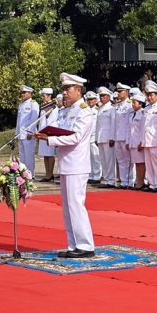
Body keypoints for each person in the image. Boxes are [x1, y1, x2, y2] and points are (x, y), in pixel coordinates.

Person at [37, 73, 96, 258]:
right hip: (66, 163)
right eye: (63, 89)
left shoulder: (84, 111)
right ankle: (73, 244)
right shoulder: (68, 110)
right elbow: (61, 131)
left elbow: (75, 137)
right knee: (68, 207)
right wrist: (47, 134)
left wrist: (50, 139)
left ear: (78, 90)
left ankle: (85, 245)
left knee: (76, 205)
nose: (64, 92)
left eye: (67, 88)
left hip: (77, 164)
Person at [141, 81, 157, 192]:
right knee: (149, 163)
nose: (150, 97)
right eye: (148, 95)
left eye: (152, 95)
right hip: (146, 140)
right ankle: (152, 183)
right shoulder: (146, 109)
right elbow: (144, 126)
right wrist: (141, 140)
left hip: (155, 140)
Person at [15, 85, 39, 175]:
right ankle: (23, 174)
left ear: (30, 93)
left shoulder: (33, 104)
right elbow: (19, 121)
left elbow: (34, 119)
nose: (22, 94)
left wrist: (30, 132)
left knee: (29, 156)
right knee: (22, 156)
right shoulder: (21, 105)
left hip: (28, 134)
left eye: (24, 92)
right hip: (21, 134)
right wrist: (16, 133)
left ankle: (30, 174)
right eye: (22, 93)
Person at [96, 88, 117, 187]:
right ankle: (106, 179)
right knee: (103, 160)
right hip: (101, 137)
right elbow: (98, 125)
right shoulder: (100, 108)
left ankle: (111, 180)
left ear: (109, 97)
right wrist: (96, 138)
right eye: (101, 96)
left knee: (109, 160)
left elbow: (113, 124)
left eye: (104, 96)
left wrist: (112, 137)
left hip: (108, 138)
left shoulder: (112, 108)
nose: (102, 98)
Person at [36, 87, 58, 182]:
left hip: (49, 133)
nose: (42, 97)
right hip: (42, 132)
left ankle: (50, 174)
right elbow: (41, 121)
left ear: (49, 96)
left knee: (50, 154)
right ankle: (47, 174)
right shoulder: (44, 106)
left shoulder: (53, 106)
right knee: (45, 154)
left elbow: (52, 121)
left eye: (44, 95)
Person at [127, 90, 147, 189]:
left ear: (140, 104)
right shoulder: (132, 114)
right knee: (137, 163)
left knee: (141, 163)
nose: (133, 105)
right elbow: (129, 129)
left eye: (134, 103)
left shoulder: (143, 114)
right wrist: (128, 141)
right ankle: (138, 180)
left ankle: (141, 181)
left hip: (139, 142)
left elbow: (143, 129)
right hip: (132, 142)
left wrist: (141, 142)